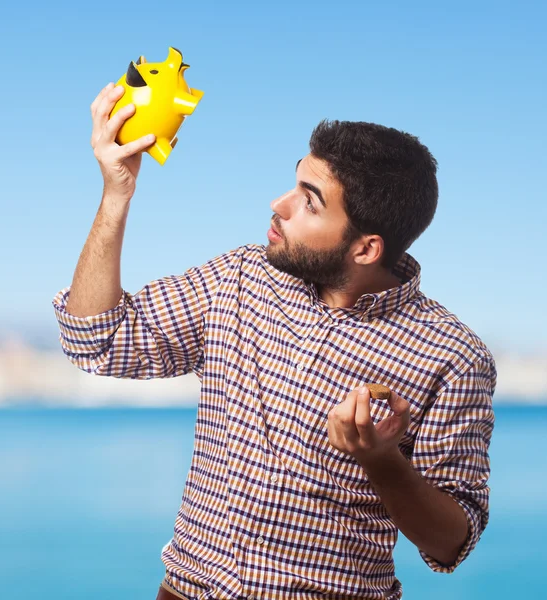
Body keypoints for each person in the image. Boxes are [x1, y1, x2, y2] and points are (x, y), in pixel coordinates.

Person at [53, 82, 496, 600]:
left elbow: (449, 544)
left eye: (309, 203)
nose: (279, 206)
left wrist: (381, 458)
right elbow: (96, 339)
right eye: (293, 185)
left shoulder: (453, 355)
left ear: (366, 248)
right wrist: (117, 192)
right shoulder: (240, 277)